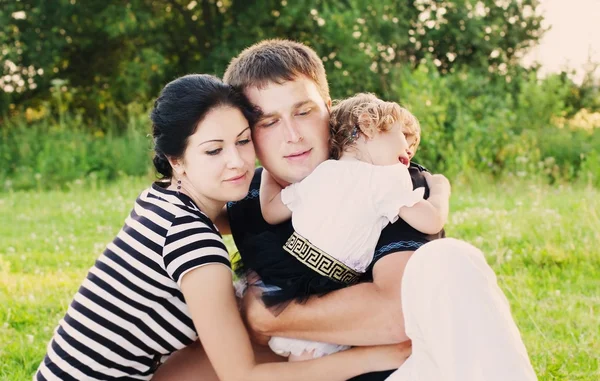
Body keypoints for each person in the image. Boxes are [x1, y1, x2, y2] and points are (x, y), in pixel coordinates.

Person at [34, 74, 411, 381]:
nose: (237, 162)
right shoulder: (191, 239)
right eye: (214, 150)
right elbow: (241, 376)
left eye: (244, 141)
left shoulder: (161, 200)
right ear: (177, 161)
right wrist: (372, 357)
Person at [255, 93, 451, 361]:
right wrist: (440, 188)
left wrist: (268, 170)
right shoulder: (387, 178)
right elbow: (431, 220)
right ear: (368, 124)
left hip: (280, 281)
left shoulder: (320, 173)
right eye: (402, 136)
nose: (409, 150)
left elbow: (270, 211)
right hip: (329, 294)